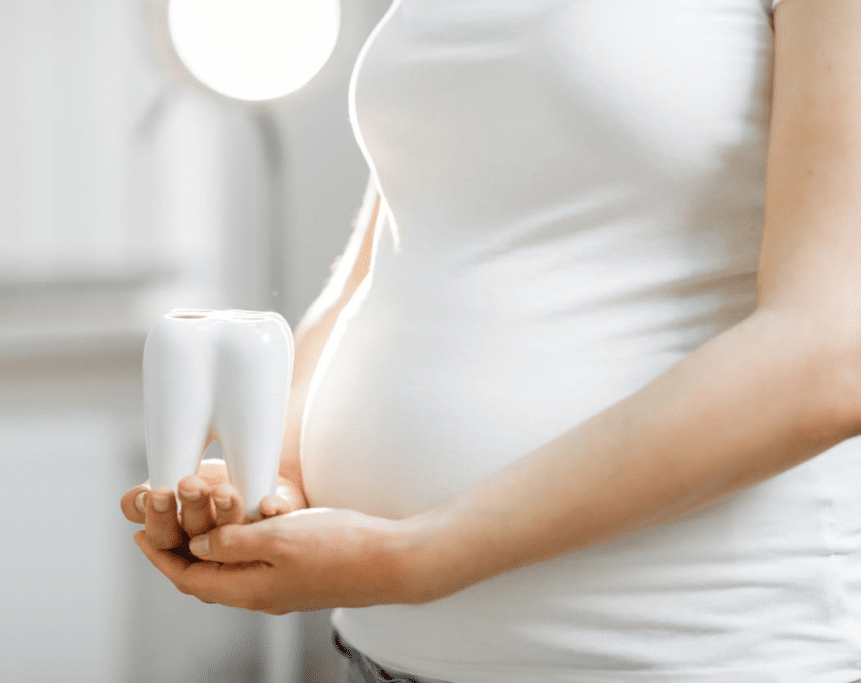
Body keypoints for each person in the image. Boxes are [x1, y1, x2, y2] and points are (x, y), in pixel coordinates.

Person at [121, 0, 861, 681]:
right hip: (384, 657)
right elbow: (400, 244)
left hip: (690, 653)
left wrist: (420, 557)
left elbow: (832, 354)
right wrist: (273, 477)